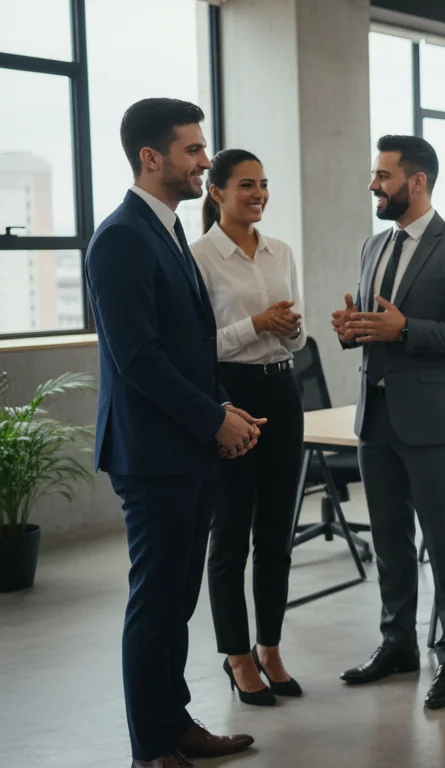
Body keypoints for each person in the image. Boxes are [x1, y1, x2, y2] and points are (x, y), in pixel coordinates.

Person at [86, 97, 260, 768]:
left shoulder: (168, 229)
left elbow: (190, 346)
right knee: (156, 602)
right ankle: (151, 749)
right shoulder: (121, 237)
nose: (205, 160)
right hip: (151, 452)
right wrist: (214, 417)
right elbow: (138, 358)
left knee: (179, 599)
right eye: (193, 149)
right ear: (150, 157)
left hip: (185, 445)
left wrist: (223, 408)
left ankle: (175, 722)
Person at [329, 134, 445, 710]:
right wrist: (354, 328)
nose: (373, 185)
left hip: (432, 420)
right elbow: (377, 325)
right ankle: (397, 643)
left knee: (444, 542)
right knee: (389, 540)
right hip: (375, 416)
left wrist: (406, 330)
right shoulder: (374, 244)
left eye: (384, 176)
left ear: (417, 181)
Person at [191, 148, 306, 707]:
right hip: (230, 396)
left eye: (263, 184)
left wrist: (287, 329)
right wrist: (255, 324)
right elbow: (196, 346)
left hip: (283, 390)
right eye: (246, 185)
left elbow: (298, 337)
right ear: (216, 192)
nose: (259, 194)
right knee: (232, 530)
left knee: (277, 533)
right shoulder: (198, 257)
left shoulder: (281, 251)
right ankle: (237, 655)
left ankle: (270, 647)